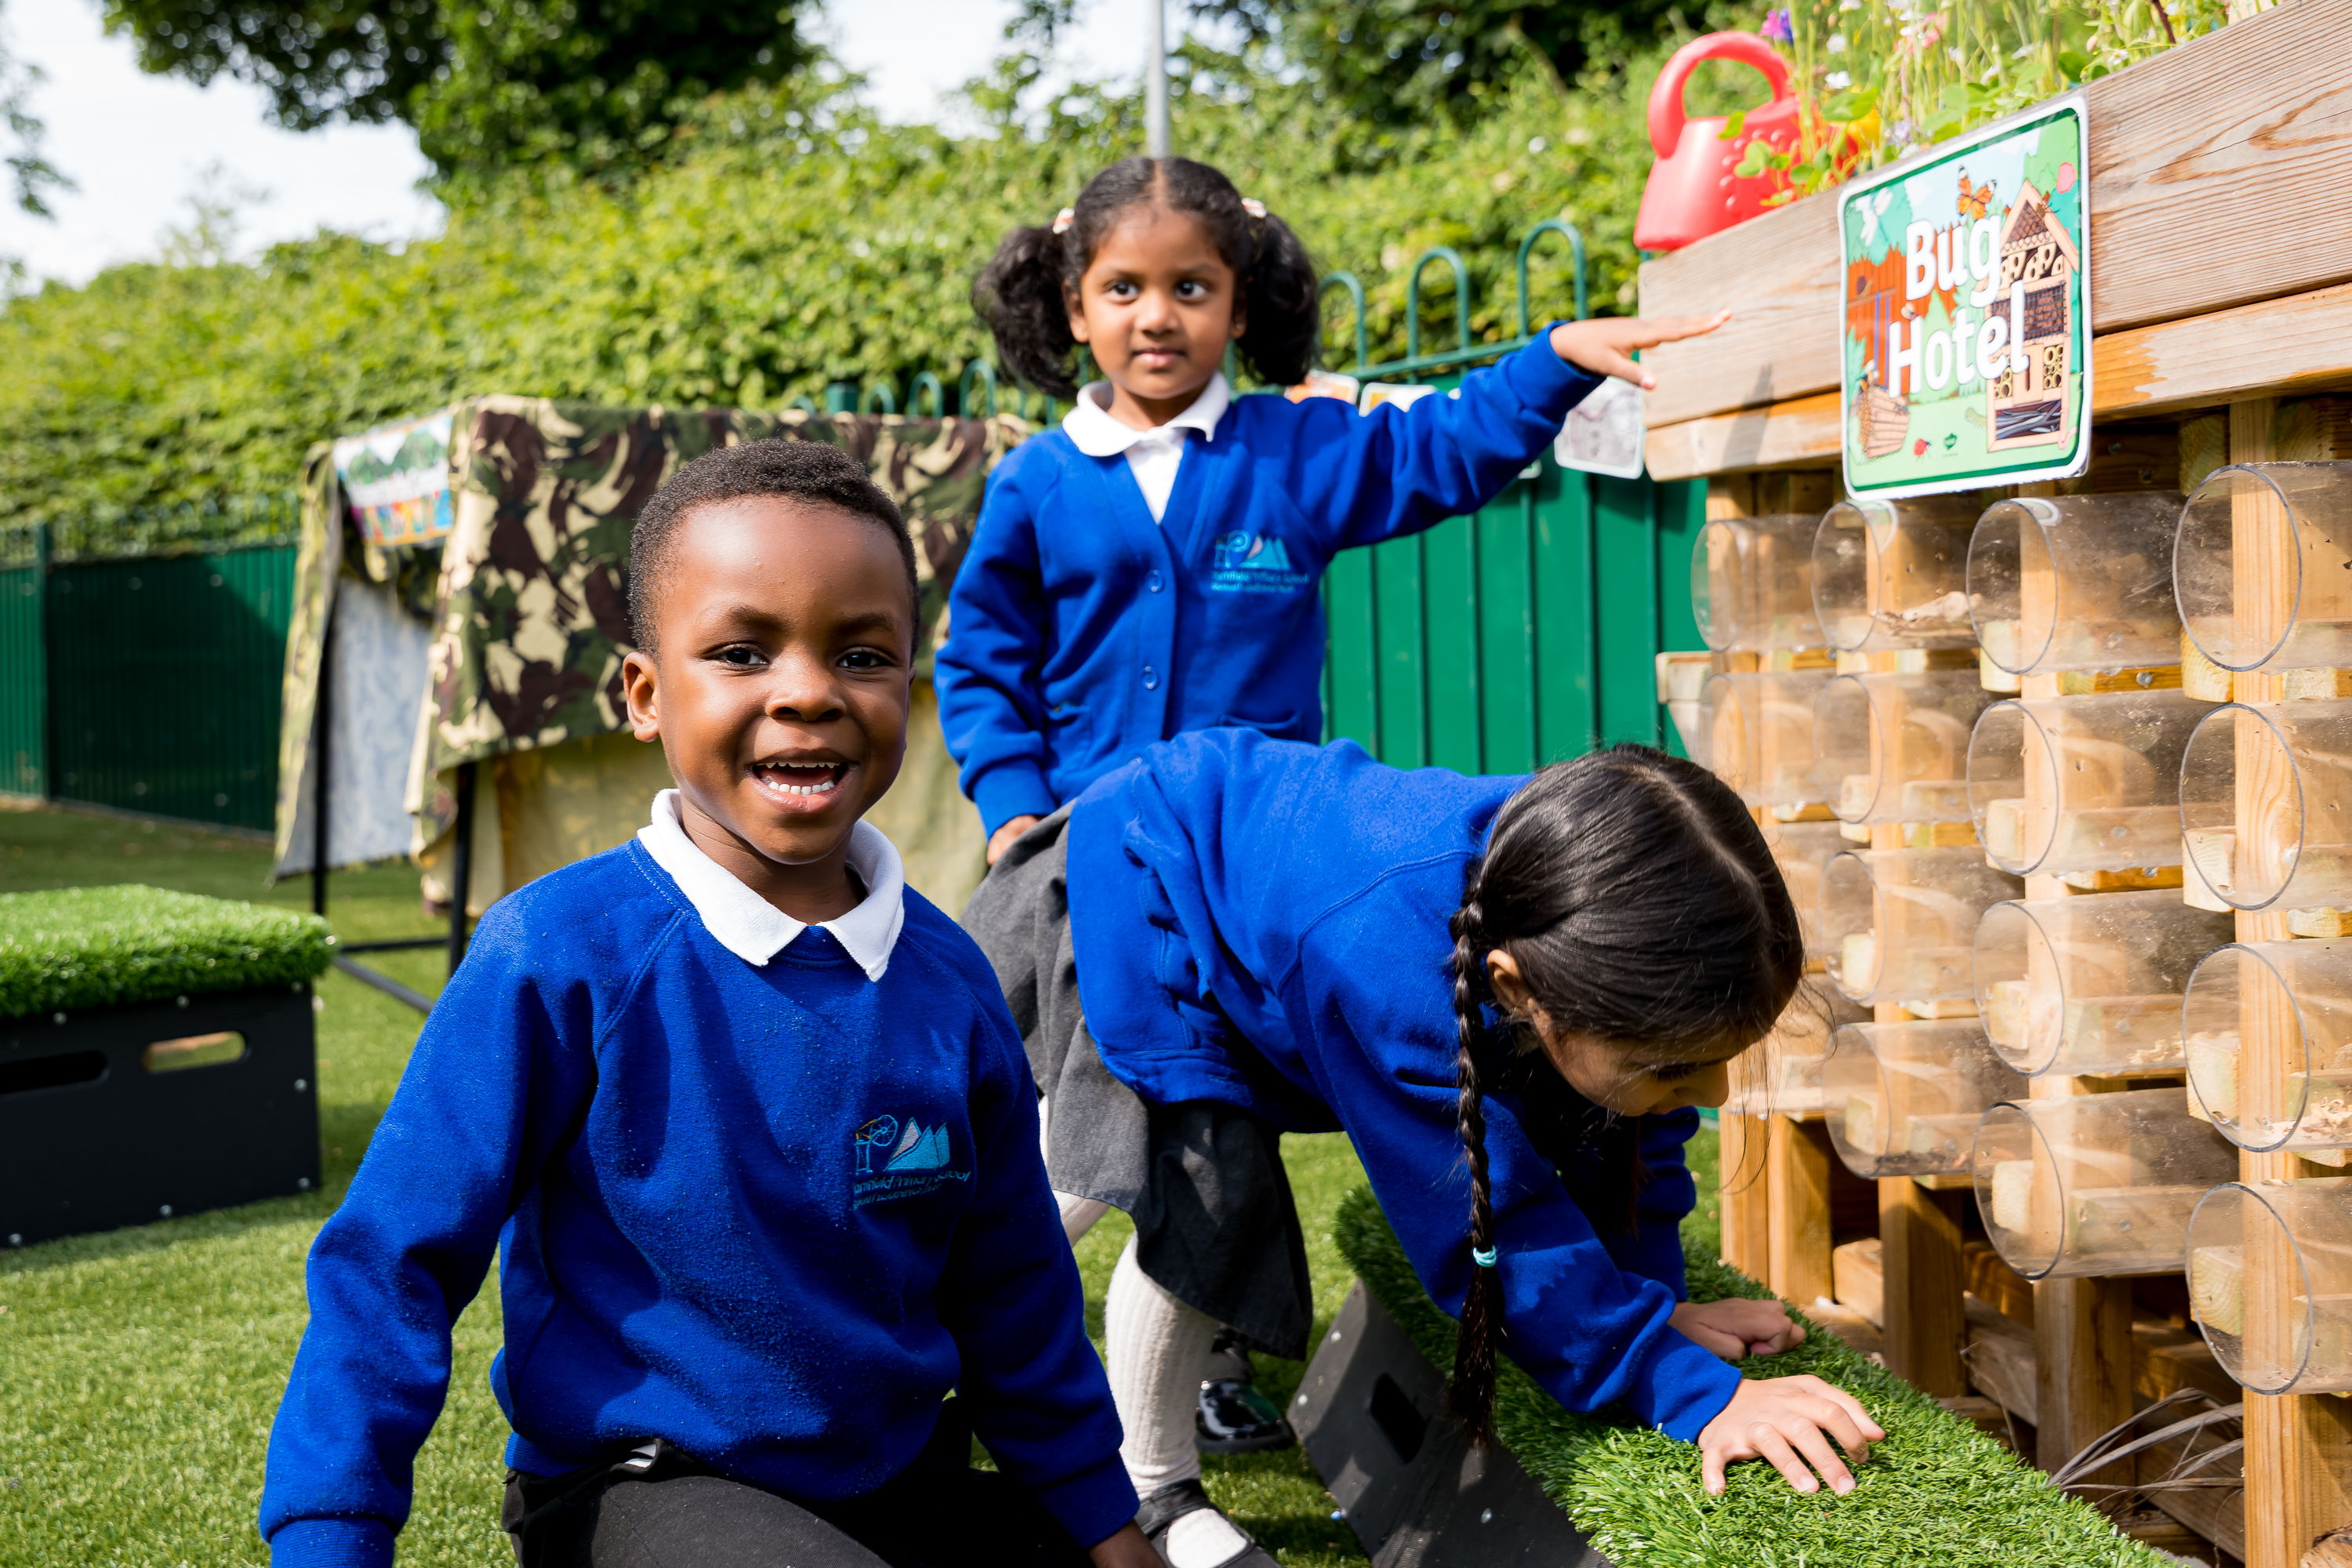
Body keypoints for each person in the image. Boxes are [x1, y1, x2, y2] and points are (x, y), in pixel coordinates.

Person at [257, 441, 1159, 1568]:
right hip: (645, 1490)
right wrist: (331, 1535)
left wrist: (1105, 1522)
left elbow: (1015, 1284)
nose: (808, 692)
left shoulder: (950, 973)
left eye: (861, 653)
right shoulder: (561, 951)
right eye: (741, 651)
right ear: (645, 693)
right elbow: (394, 1257)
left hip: (902, 1478)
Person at [963, 730, 1882, 1568]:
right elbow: (1491, 1230)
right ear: (1518, 989)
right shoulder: (1394, 965)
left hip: (1274, 905)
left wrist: (1653, 1306)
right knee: (1172, 1185)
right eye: (1677, 1066)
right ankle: (1133, 1475)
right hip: (1149, 881)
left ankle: (1143, 1480)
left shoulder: (1589, 910)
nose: (1715, 1095)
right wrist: (1688, 1388)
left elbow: (1630, 1137)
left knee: (1178, 1189)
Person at [937, 154, 1729, 871]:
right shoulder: (1032, 481)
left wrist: (1549, 364)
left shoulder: (1299, 451)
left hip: (1260, 855)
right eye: (1122, 288)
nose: (1156, 315)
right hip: (1084, 852)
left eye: (1190, 287)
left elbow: (1440, 447)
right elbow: (981, 661)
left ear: (1238, 308)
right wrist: (1013, 807)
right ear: (1075, 309)